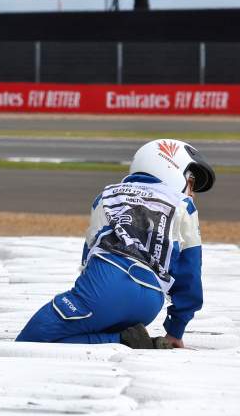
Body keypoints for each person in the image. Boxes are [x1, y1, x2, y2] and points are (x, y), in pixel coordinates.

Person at [17, 139, 213, 347]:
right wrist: (175, 331)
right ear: (172, 169)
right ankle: (129, 340)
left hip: (105, 287)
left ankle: (123, 341)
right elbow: (190, 273)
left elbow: (88, 259)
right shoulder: (185, 207)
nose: (191, 192)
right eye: (191, 183)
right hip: (150, 303)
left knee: (29, 340)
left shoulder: (106, 196)